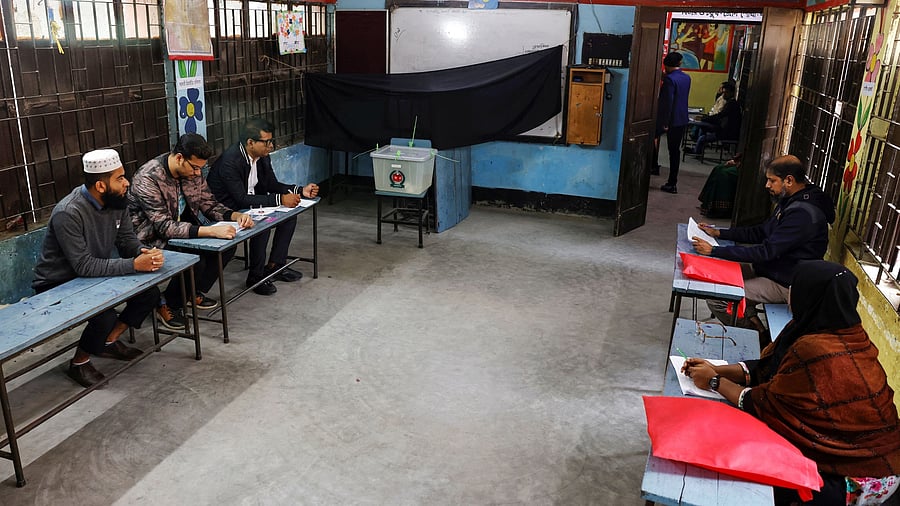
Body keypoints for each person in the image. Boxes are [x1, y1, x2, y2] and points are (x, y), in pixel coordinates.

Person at [682, 261, 900, 506]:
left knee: (748, 474)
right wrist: (716, 369)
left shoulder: (815, 348)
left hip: (860, 476)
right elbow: (769, 368)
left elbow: (766, 404)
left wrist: (714, 382)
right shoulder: (840, 330)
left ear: (810, 296)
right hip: (878, 456)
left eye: (795, 288)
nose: (789, 294)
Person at [33, 149, 161, 387]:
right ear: (101, 186)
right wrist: (134, 265)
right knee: (104, 315)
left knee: (150, 294)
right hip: (59, 283)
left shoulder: (117, 201)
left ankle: (108, 342)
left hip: (93, 275)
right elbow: (83, 265)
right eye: (119, 178)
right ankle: (79, 363)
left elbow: (126, 240)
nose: (127, 183)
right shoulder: (68, 212)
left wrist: (142, 253)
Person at [691, 155, 835, 337]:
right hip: (772, 267)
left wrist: (714, 250)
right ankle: (757, 327)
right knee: (719, 275)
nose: (767, 185)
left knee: (718, 298)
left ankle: (760, 339)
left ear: (789, 180)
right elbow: (761, 231)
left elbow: (765, 251)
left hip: (786, 282)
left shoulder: (802, 214)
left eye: (771, 180)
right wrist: (720, 233)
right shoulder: (791, 201)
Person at [128, 133, 254, 330]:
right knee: (195, 259)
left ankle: (191, 292)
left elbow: (208, 203)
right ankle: (169, 304)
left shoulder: (192, 170)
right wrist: (211, 232)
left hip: (181, 227)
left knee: (227, 247)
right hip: (148, 237)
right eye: (195, 168)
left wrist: (234, 216)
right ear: (179, 158)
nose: (197, 174)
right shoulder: (148, 178)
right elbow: (164, 227)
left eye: (201, 169)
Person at [207, 117, 319, 296]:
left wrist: (300, 190)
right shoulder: (230, 161)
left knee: (289, 216)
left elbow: (272, 184)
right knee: (263, 225)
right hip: (228, 210)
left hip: (251, 204)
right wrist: (280, 200)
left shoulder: (262, 157)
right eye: (267, 142)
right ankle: (256, 277)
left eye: (271, 141)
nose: (271, 146)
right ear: (250, 142)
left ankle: (276, 265)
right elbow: (241, 199)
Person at [655, 52, 691, 194]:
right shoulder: (686, 78)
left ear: (665, 65)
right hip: (682, 118)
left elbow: (667, 103)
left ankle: (670, 182)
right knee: (675, 151)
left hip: (670, 120)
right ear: (680, 63)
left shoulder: (669, 80)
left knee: (652, 140)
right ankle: (672, 181)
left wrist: (664, 122)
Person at [692, 81, 741, 155]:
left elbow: (719, 116)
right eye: (723, 92)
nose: (724, 94)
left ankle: (696, 152)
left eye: (726, 93)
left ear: (731, 93)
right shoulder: (729, 102)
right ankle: (696, 148)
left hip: (727, 133)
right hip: (723, 129)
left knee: (701, 138)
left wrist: (704, 118)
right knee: (702, 127)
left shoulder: (731, 104)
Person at [697, 153, 741, 219]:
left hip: (747, 166)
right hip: (741, 161)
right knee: (718, 168)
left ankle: (721, 210)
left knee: (724, 174)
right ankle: (707, 204)